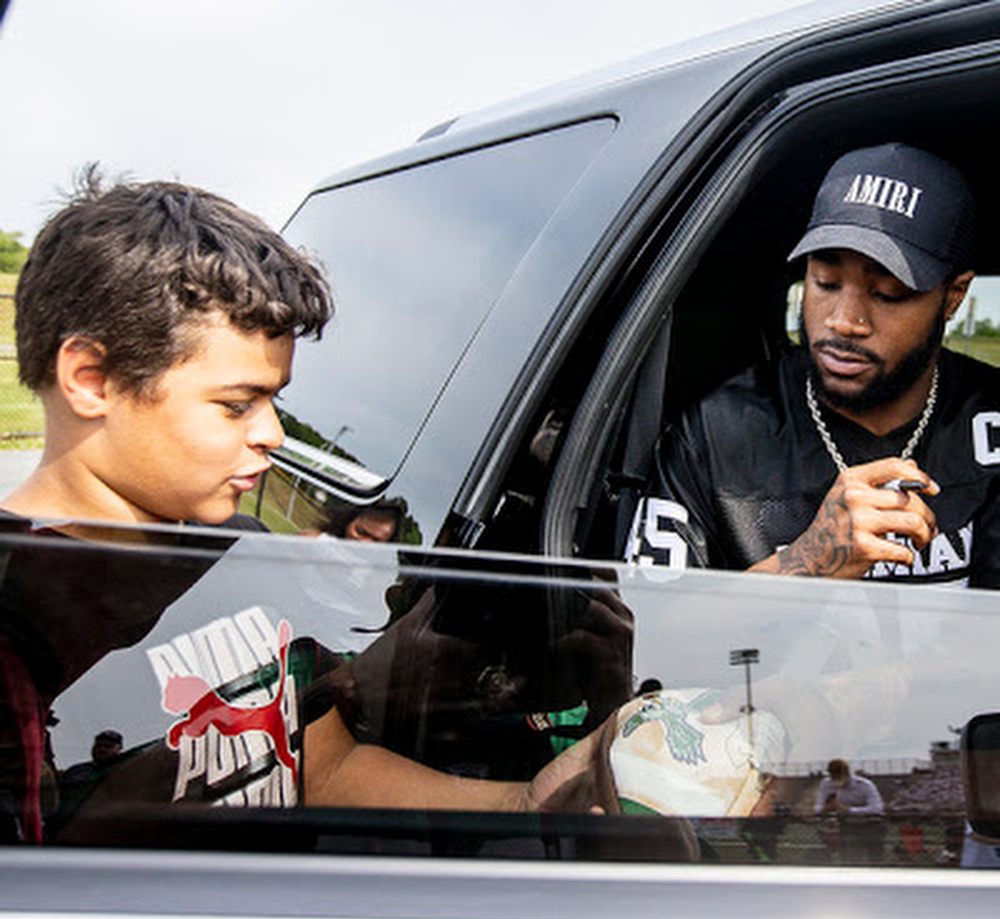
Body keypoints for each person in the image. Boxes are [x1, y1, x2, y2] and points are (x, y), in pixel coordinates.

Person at [0, 171, 620, 843]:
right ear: (91, 379)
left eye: (274, 400)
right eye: (237, 404)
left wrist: (526, 804)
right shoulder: (19, 613)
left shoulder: (238, 555)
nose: (271, 433)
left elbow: (325, 769)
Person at [627, 142, 1000, 588]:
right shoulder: (718, 433)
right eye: (825, 282)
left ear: (953, 297)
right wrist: (808, 561)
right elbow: (648, 635)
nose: (843, 321)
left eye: (886, 294)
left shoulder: (987, 416)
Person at [814, 758, 885, 864]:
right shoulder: (826, 784)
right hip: (847, 826)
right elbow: (818, 807)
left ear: (846, 773)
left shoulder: (865, 785)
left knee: (875, 857)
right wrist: (826, 808)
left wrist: (849, 810)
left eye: (838, 775)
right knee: (849, 856)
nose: (835, 779)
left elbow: (877, 808)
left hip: (870, 825)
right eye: (833, 776)